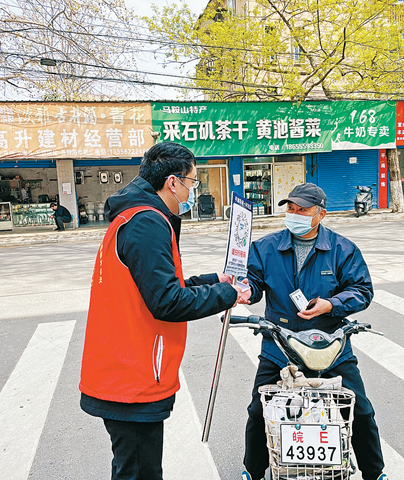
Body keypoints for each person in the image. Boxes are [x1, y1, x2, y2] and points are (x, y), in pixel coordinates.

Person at [79, 142, 244, 480]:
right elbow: (168, 301)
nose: (192, 192)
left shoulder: (136, 216)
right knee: (140, 472)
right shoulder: (147, 223)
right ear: (173, 182)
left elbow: (158, 284)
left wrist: (215, 280)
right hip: (131, 375)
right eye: (192, 183)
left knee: (136, 469)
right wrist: (226, 294)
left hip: (127, 369)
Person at [240, 183, 387, 480]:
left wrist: (331, 305)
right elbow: (252, 284)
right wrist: (243, 290)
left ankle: (375, 473)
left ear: (321, 213)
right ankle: (253, 472)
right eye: (290, 209)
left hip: (331, 346)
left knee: (360, 410)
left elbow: (362, 290)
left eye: (302, 210)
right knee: (259, 410)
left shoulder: (342, 249)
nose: (294, 215)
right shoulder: (265, 247)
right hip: (280, 346)